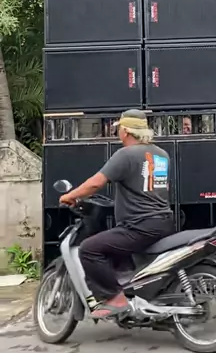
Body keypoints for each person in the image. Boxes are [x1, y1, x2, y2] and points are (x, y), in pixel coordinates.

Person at [59, 110, 174, 319]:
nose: (117, 133)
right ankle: (132, 293)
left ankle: (115, 299)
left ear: (125, 131)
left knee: (89, 249)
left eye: (118, 129)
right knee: (114, 246)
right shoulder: (161, 154)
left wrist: (70, 196)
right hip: (163, 222)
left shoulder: (126, 155)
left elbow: (95, 183)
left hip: (139, 226)